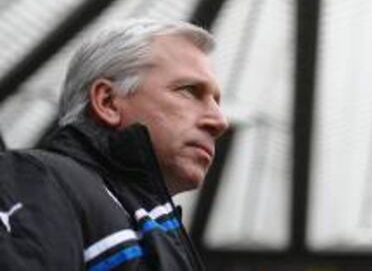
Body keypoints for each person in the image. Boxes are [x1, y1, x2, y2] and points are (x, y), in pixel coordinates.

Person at [0, 18, 229, 270]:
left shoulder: (154, 228)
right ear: (107, 102)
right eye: (188, 90)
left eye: (216, 101)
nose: (219, 121)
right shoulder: (40, 178)